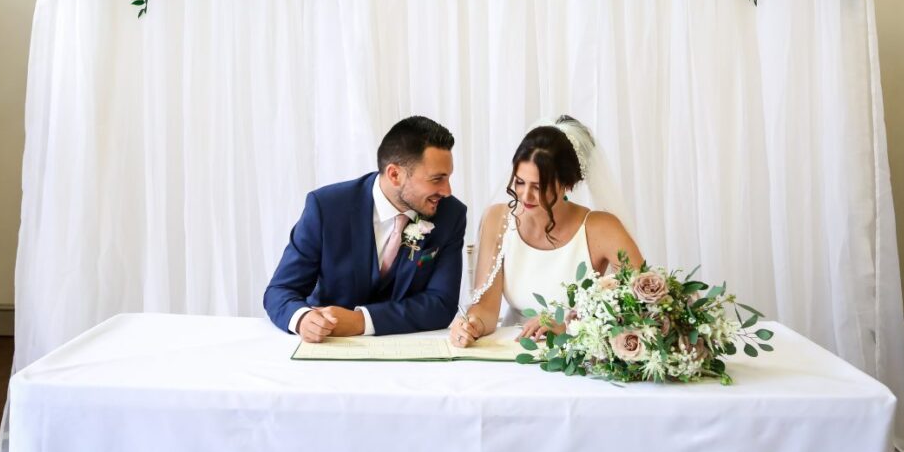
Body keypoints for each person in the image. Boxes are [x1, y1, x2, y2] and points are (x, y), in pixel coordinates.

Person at [264, 116, 466, 343]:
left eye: (448, 178)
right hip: (330, 346)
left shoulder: (451, 215)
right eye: (437, 179)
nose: (447, 191)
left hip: (406, 349)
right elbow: (280, 290)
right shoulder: (327, 207)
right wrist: (302, 319)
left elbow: (441, 304)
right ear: (395, 174)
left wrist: (362, 321)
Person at [450, 115, 642, 348]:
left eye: (538, 187)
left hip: (578, 351)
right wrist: (472, 324)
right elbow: (487, 307)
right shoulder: (497, 219)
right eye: (520, 182)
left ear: (568, 184)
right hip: (514, 349)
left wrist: (570, 324)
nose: (525, 196)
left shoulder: (602, 228)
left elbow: (642, 306)